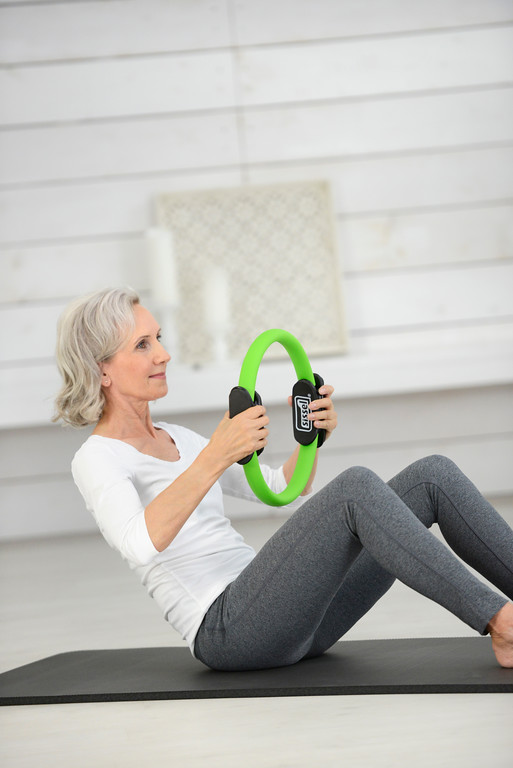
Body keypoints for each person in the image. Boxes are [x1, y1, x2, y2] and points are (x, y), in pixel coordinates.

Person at [54, 287, 513, 671]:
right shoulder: (97, 457)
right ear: (101, 369)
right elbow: (137, 543)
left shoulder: (179, 438)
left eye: (158, 338)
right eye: (142, 345)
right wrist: (215, 455)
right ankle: (502, 622)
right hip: (229, 632)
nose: (163, 353)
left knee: (431, 476)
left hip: (291, 617)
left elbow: (281, 489)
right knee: (354, 487)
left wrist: (311, 439)